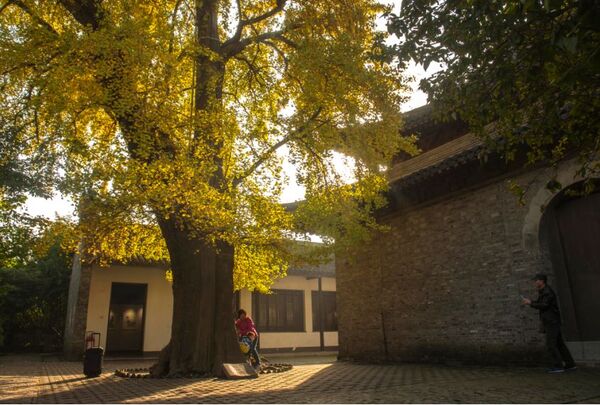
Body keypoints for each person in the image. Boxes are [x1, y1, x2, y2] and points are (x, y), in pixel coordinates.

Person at [522, 273, 576, 373]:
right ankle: (570, 364)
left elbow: (544, 305)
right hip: (551, 320)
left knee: (551, 344)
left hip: (551, 321)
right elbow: (540, 303)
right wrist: (531, 301)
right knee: (559, 343)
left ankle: (558, 366)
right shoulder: (543, 291)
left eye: (536, 280)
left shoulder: (547, 292)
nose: (535, 282)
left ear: (541, 281)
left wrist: (530, 303)